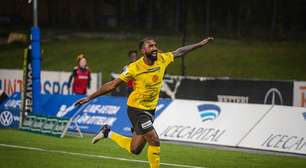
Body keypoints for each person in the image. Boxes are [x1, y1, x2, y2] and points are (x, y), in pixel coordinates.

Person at [76, 37, 214, 168]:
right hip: (136, 109)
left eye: (155, 45)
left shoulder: (162, 58)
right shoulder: (134, 68)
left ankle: (107, 133)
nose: (155, 48)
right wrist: (90, 97)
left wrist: (199, 44)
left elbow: (179, 52)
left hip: (150, 110)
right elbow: (112, 85)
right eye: (151, 46)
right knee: (154, 140)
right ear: (143, 51)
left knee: (134, 149)